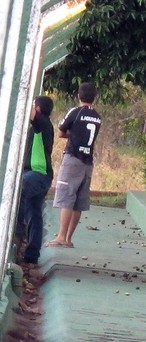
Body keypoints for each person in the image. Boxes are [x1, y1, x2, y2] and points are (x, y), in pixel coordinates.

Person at [45, 83, 102, 248]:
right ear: (94, 97)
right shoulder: (97, 116)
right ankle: (69, 238)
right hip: (88, 161)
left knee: (66, 197)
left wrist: (72, 133)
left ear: (79, 96)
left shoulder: (75, 112)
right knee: (79, 200)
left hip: (73, 158)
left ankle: (61, 236)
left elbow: (62, 131)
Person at [17, 96, 54, 262]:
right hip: (39, 175)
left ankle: (16, 232)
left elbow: (29, 112)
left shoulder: (43, 123)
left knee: (17, 191)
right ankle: (31, 256)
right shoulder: (39, 127)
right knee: (34, 213)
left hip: (37, 174)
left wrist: (24, 93)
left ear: (38, 109)